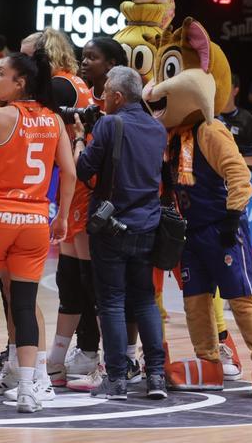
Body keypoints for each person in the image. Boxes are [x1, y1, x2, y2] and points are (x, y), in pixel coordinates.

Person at [0, 50, 75, 412]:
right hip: (34, 221)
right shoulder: (54, 120)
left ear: (21, 82)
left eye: (0, 73)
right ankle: (28, 389)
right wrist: (62, 218)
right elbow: (70, 173)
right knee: (25, 306)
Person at [75, 66, 168, 400]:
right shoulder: (158, 129)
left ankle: (116, 380)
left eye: (105, 91)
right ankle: (156, 376)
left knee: (112, 302)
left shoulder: (108, 123)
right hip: (148, 226)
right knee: (144, 300)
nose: (101, 96)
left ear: (117, 95)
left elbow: (85, 171)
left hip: (111, 225)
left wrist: (78, 138)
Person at [58, 36, 131, 394]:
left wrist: (81, 140)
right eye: (83, 57)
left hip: (101, 204)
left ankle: (111, 360)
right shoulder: (89, 101)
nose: (85, 63)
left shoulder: (118, 109)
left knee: (99, 285)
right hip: (76, 199)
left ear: (113, 63)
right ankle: (80, 353)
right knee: (71, 279)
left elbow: (91, 164)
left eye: (93, 58)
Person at [31, 28, 99, 384]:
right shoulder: (73, 83)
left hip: (80, 183)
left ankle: (91, 352)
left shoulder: (58, 87)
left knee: (84, 278)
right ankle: (61, 356)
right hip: (75, 182)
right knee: (71, 274)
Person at [218, 72, 252, 166]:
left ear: (235, 91)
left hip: (238, 174)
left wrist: (226, 162)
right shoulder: (209, 117)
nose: (222, 90)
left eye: (227, 86)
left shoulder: (247, 119)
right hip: (211, 175)